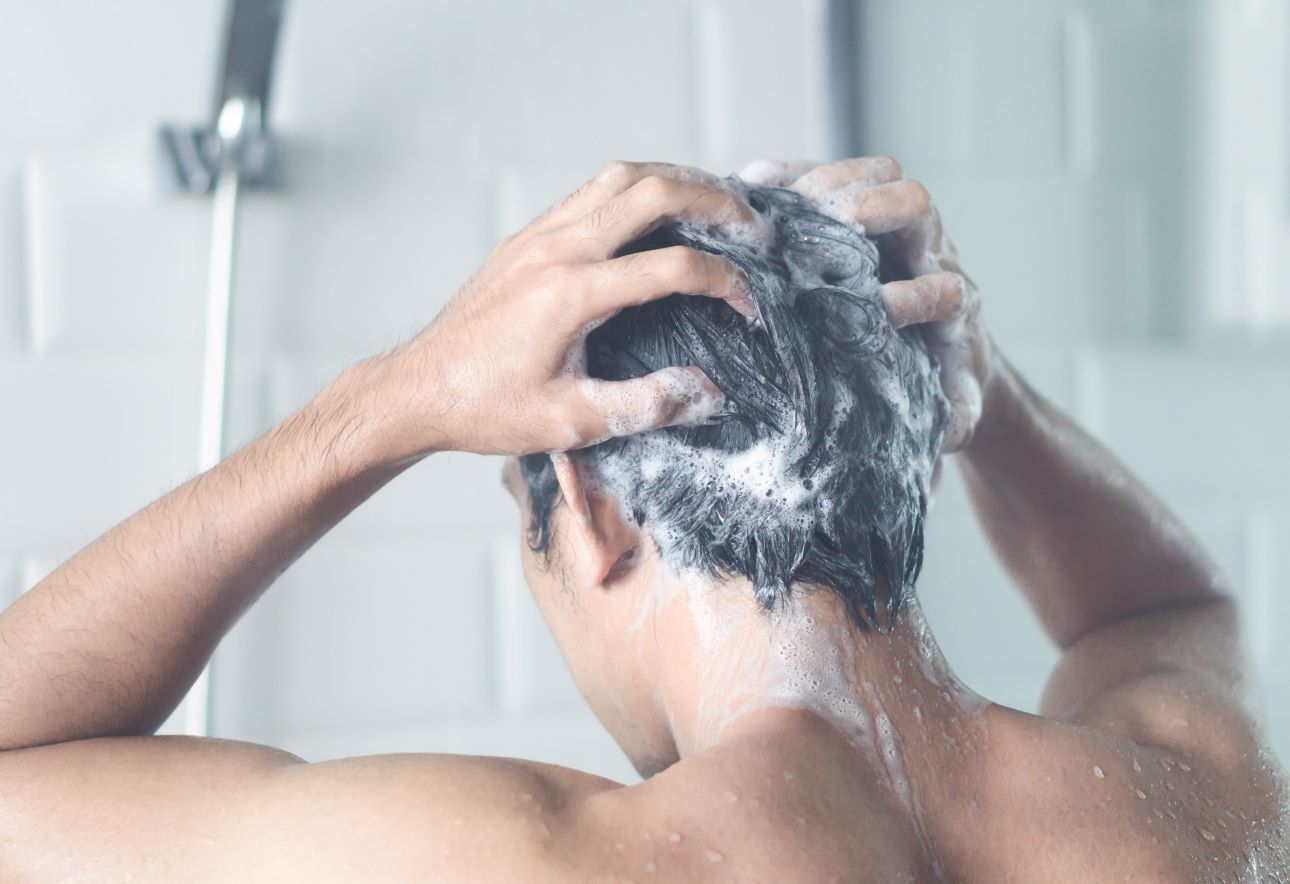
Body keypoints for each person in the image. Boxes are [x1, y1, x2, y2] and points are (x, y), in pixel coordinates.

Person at [0, 158, 1283, 882]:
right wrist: (987, 391)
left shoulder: (533, 860)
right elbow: (1165, 607)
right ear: (906, 455)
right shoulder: (1189, 807)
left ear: (593, 508)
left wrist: (389, 400)